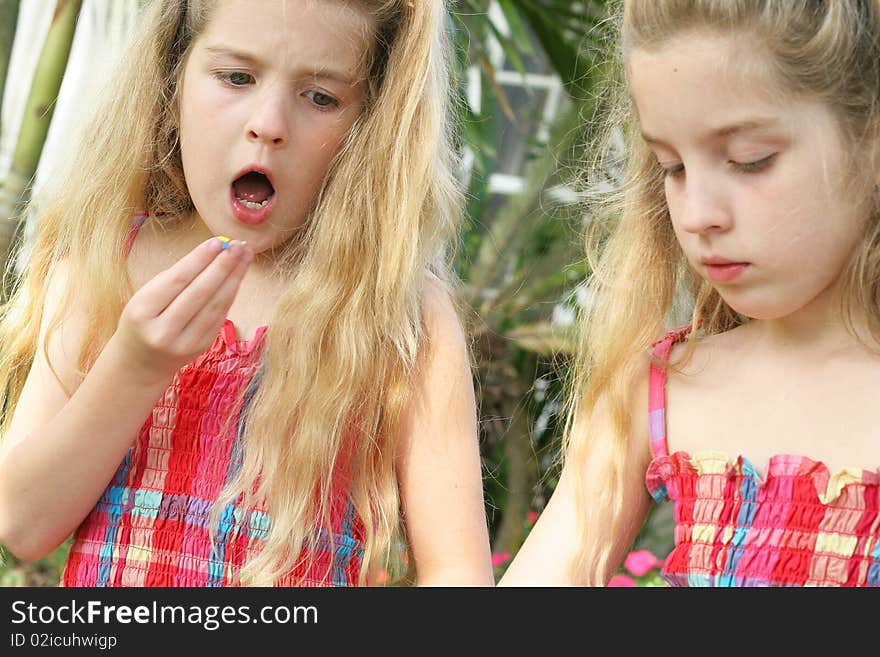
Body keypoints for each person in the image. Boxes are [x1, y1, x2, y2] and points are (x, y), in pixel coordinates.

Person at [0, 0, 494, 587]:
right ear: (171, 83)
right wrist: (135, 367)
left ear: (369, 127)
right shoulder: (107, 263)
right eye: (236, 77)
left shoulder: (397, 313)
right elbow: (21, 523)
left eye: (320, 97)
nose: (270, 123)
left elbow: (457, 573)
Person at [501, 0, 880, 587]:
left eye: (749, 161)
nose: (698, 215)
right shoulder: (660, 386)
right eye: (671, 167)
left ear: (869, 139)